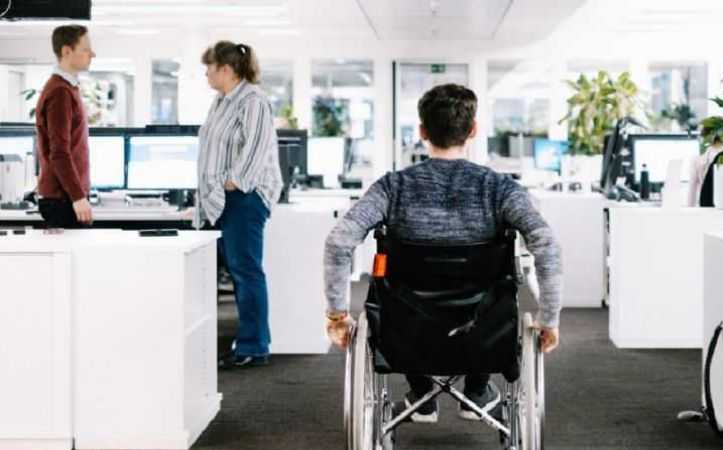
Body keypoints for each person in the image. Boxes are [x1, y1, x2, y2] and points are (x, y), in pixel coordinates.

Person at [323, 83, 562, 423]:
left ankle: (421, 393)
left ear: (422, 132)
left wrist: (337, 315)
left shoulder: (392, 187)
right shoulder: (499, 189)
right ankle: (477, 390)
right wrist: (548, 319)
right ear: (473, 130)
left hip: (407, 330)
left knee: (400, 300)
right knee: (491, 295)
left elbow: (338, 242)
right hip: (483, 331)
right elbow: (546, 245)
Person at [196, 41, 283, 369]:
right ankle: (246, 341)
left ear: (226, 69)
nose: (206, 74)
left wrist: (229, 182)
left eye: (209, 67)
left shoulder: (253, 101)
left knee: (246, 270)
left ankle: (254, 346)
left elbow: (255, 151)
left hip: (244, 197)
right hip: (224, 197)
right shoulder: (221, 101)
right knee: (234, 269)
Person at [35, 24, 96, 229]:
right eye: (86, 49)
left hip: (65, 197)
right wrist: (78, 197)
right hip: (63, 199)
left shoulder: (67, 88)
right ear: (66, 51)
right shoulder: (60, 92)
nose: (92, 54)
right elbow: (59, 152)